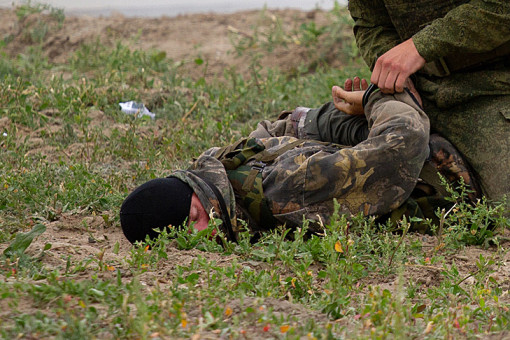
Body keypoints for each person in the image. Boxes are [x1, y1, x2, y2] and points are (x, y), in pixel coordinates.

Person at [120, 81, 480, 244]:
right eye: (185, 236)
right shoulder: (219, 168)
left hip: (445, 168)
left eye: (195, 217)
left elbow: (405, 140)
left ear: (193, 187)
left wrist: (375, 97)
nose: (203, 234)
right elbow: (275, 131)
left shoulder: (283, 192)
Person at [347, 0, 510, 209]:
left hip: (492, 86)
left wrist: (420, 47)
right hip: (419, 88)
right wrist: (397, 74)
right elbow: (370, 23)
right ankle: (323, 125)